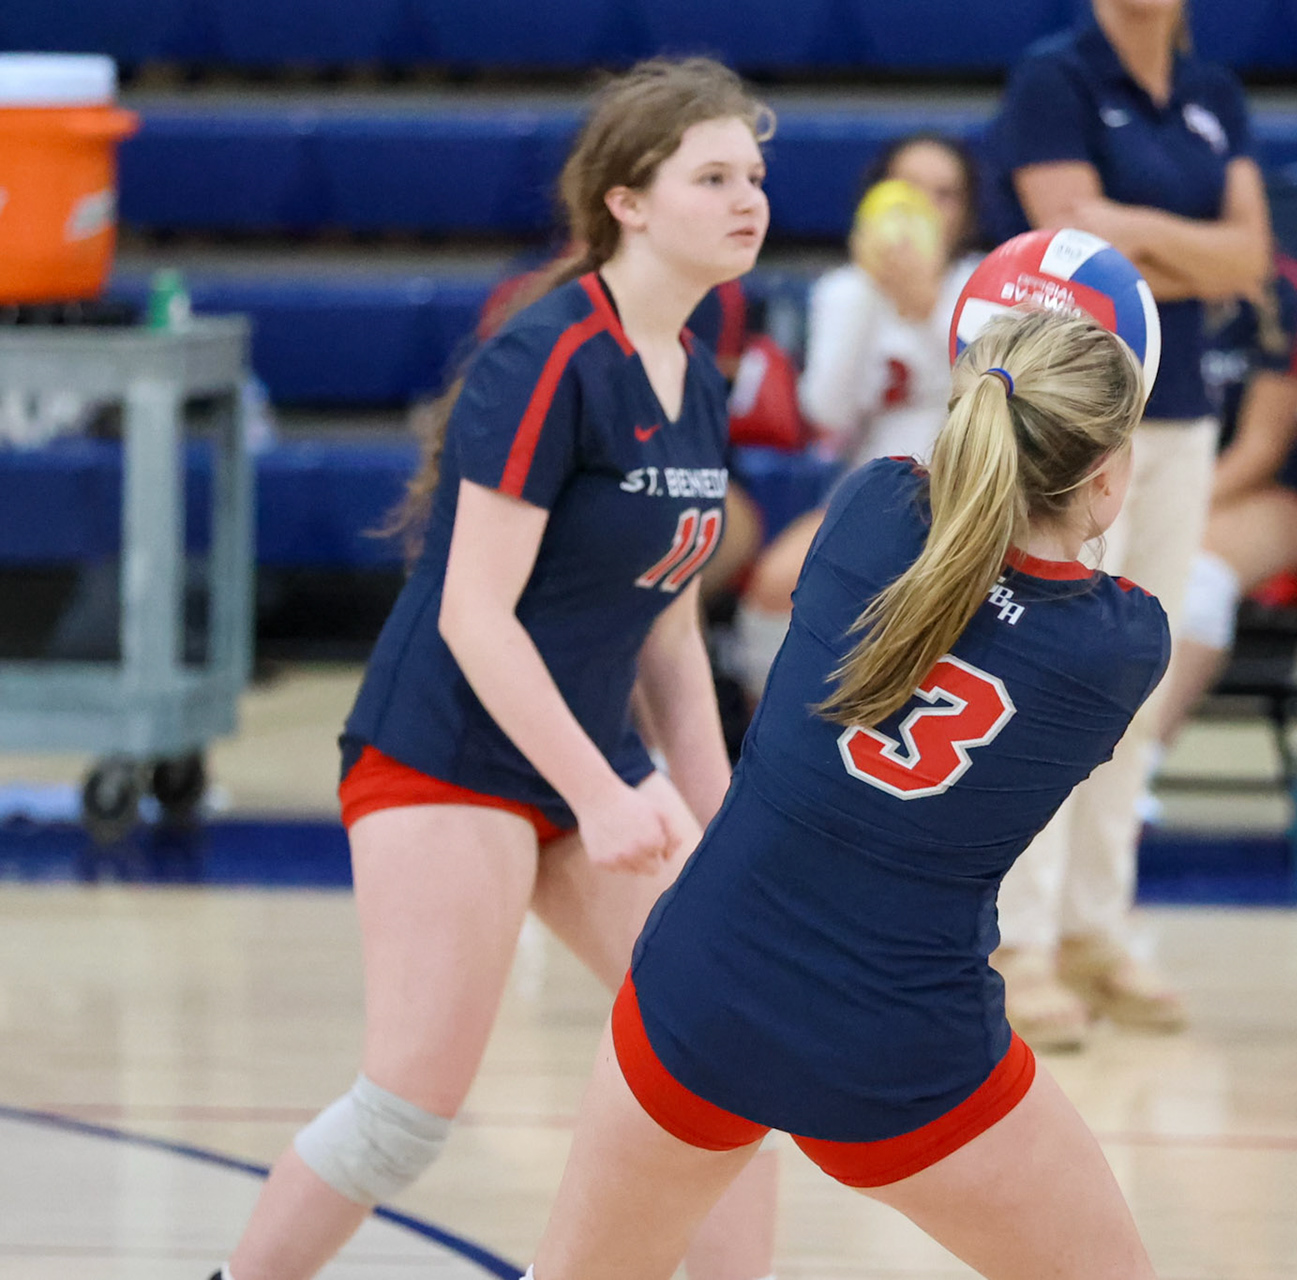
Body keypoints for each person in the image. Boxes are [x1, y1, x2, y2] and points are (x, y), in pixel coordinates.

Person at [210, 59, 778, 1280]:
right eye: (715, 176)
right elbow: (474, 610)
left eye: (758, 177)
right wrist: (601, 794)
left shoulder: (701, 373)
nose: (750, 200)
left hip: (589, 766)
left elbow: (670, 636)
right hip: (447, 753)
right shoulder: (550, 354)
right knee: (408, 1105)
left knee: (732, 1058)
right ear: (628, 200)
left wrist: (724, 824)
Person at [524, 309, 1168, 1280]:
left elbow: (947, 512)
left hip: (708, 983)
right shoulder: (1120, 644)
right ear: (1109, 476)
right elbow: (1055, 583)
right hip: (900, 1045)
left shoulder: (874, 507)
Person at [989, 0, 1272, 1048]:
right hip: (1073, 415)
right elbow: (1065, 253)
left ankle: (1091, 928)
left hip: (1185, 413)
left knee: (1132, 675)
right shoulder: (1054, 79)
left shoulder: (1213, 92)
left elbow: (1251, 261)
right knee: (1049, 664)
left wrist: (1137, 236)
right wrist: (1188, 253)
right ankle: (1013, 936)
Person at [729, 132, 984, 703]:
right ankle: (765, 752)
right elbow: (826, 410)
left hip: (968, 490)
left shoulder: (986, 284)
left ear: (965, 214)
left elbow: (986, 393)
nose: (923, 207)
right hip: (869, 489)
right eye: (908, 190)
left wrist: (923, 307)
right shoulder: (844, 290)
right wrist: (875, 295)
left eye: (944, 195)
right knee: (776, 584)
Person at [1152, 253, 1297, 749]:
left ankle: (1130, 774)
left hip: (1269, 495)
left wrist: (1164, 511)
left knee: (1198, 580)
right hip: (1143, 486)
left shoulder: (1281, 288)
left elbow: (1261, 449)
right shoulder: (1125, 280)